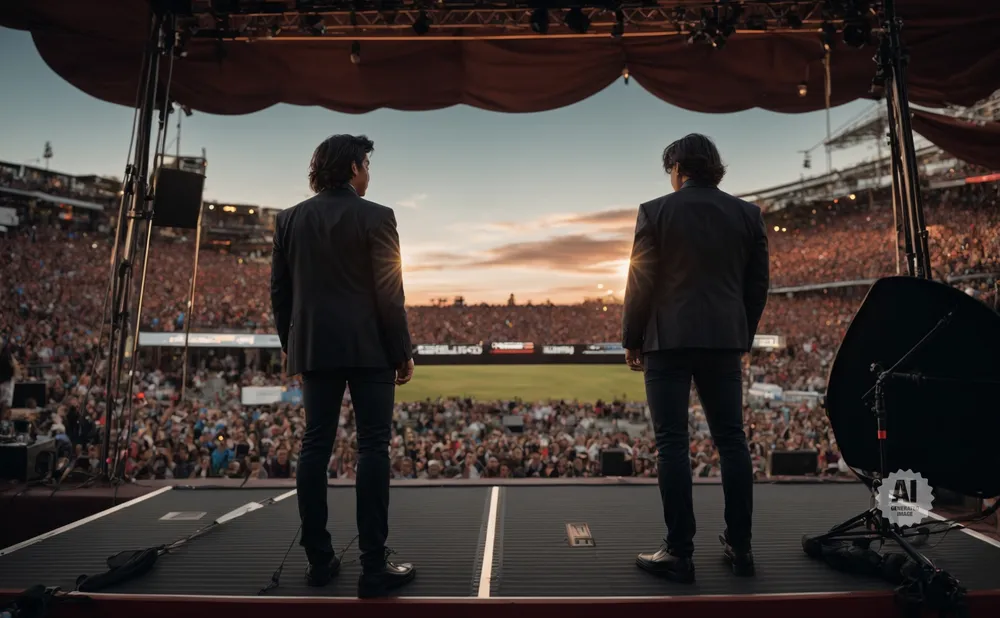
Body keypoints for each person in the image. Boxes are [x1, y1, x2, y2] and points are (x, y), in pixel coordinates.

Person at [270, 134, 416, 598]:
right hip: (371, 347)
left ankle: (319, 560)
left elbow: (280, 293)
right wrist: (402, 350)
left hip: (315, 347)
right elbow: (389, 292)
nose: (369, 173)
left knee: (315, 445)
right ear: (354, 168)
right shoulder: (378, 216)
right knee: (374, 447)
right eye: (367, 164)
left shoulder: (289, 219)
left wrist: (294, 344)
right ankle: (373, 566)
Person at [622, 134, 769, 583]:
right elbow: (757, 284)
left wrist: (632, 337)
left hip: (668, 339)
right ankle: (740, 548)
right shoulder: (747, 214)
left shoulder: (656, 210)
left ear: (678, 169)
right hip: (724, 338)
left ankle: (679, 552)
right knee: (732, 440)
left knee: (672, 443)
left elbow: (640, 280)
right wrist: (740, 333)